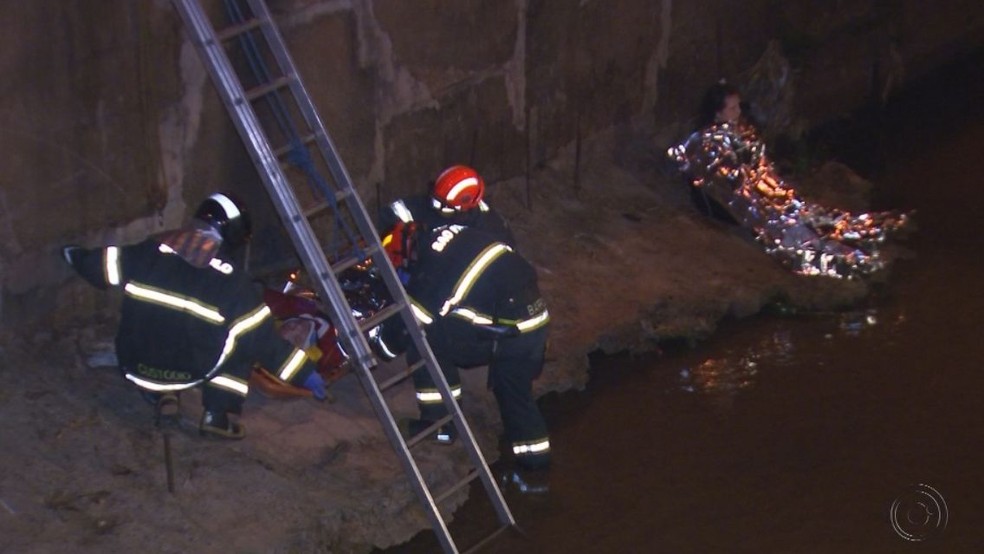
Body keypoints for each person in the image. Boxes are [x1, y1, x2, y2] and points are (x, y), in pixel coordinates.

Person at [62, 192, 324, 439]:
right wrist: (306, 375)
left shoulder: (150, 250)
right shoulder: (233, 284)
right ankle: (217, 418)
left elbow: (100, 265)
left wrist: (74, 255)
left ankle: (159, 393)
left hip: (133, 364)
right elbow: (267, 345)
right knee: (242, 345)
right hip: (190, 372)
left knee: (161, 329)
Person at [667, 80, 910, 279]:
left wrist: (771, 189)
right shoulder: (706, 142)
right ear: (717, 112)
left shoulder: (739, 130)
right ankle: (835, 257)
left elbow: (760, 169)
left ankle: (846, 242)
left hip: (758, 192)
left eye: (738, 107)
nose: (738, 112)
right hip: (732, 204)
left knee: (799, 212)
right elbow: (723, 184)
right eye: (732, 108)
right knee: (780, 224)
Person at [397, 223, 552, 470]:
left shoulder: (433, 265)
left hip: (507, 335)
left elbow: (416, 320)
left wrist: (383, 342)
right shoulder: (461, 235)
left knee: (425, 341)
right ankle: (535, 467)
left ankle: (440, 426)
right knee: (515, 395)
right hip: (535, 320)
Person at [378, 165, 516, 281]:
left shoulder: (489, 226)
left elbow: (503, 260)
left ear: (463, 208)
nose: (434, 205)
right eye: (434, 198)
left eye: (442, 204)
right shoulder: (421, 206)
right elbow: (387, 218)